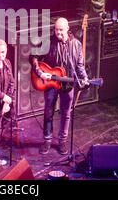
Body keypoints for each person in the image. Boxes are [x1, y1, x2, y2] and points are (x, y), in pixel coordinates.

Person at [30, 17, 89, 155]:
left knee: (66, 113)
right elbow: (33, 57)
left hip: (67, 83)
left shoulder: (76, 45)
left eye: (61, 30)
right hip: (51, 83)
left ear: (68, 29)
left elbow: (79, 66)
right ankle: (47, 140)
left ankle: (62, 141)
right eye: (56, 29)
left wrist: (85, 78)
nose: (58, 33)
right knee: (48, 112)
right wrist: (40, 73)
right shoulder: (48, 42)